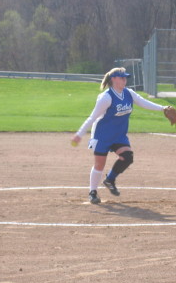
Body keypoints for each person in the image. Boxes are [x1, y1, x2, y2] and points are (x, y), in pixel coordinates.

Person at [71, 67, 169, 204]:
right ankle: (92, 192)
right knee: (99, 165)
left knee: (127, 157)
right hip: (103, 135)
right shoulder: (106, 97)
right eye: (122, 77)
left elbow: (143, 102)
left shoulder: (129, 93)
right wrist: (79, 134)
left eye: (125, 77)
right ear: (113, 79)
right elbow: (92, 118)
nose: (125, 80)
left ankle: (110, 179)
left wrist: (162, 108)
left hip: (119, 135)